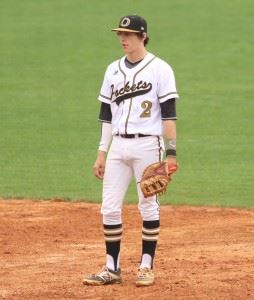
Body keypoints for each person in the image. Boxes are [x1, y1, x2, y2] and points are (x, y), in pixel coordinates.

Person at [83, 15, 179, 287]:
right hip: (118, 146)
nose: (123, 39)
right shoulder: (112, 69)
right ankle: (111, 268)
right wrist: (102, 152)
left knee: (148, 204)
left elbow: (169, 116)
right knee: (109, 208)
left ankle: (146, 266)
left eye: (129, 34)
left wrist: (171, 154)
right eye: (120, 34)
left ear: (143, 36)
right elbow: (106, 114)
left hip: (149, 145)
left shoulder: (161, 69)